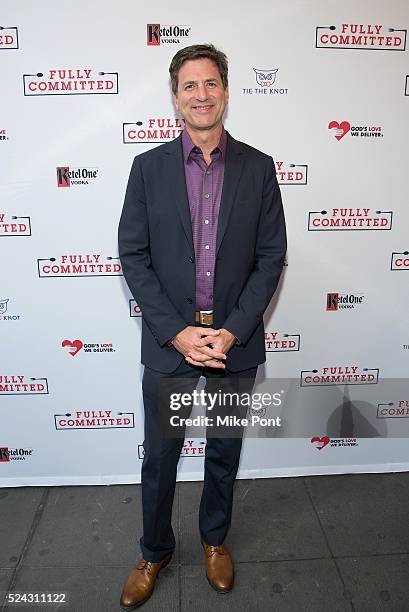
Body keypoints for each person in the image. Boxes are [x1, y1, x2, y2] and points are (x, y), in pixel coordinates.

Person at [118, 43, 286, 609]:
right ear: (175, 98)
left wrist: (234, 330)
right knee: (161, 454)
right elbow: (133, 256)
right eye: (189, 86)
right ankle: (154, 549)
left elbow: (271, 258)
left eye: (210, 83)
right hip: (172, 344)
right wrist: (176, 332)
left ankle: (215, 540)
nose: (201, 95)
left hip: (232, 342)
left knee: (223, 448)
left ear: (226, 91)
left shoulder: (260, 169)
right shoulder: (147, 169)